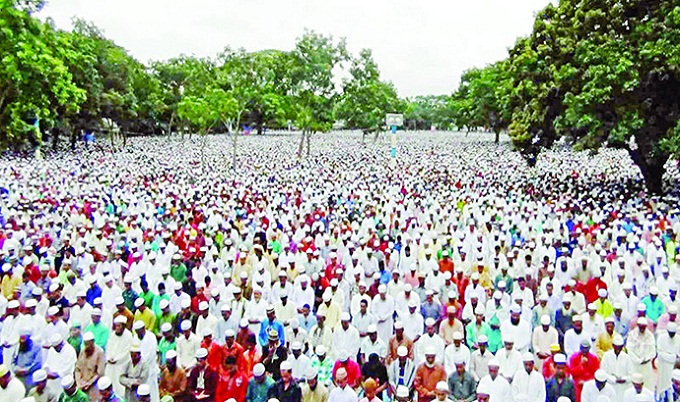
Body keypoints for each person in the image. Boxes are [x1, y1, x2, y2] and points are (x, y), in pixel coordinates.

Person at [74, 332, 106, 401]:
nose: (87, 346)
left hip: (93, 386)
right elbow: (77, 369)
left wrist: (89, 383)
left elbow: (100, 373)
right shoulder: (83, 351)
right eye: (85, 344)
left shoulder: (99, 352)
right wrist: (79, 382)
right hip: (81, 385)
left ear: (93, 342)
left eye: (88, 344)